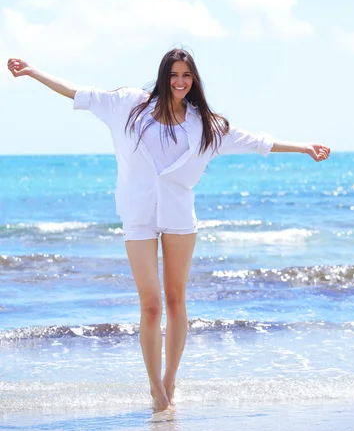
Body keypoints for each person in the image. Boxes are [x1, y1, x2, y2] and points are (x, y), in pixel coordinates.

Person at [7, 49, 330, 411]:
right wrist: (34, 72)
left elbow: (256, 142)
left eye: (186, 76)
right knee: (151, 305)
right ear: (164, 76)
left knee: (176, 301)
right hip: (138, 214)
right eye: (174, 75)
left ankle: (170, 380)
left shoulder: (205, 124)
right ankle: (155, 390)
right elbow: (79, 93)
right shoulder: (129, 105)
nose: (180, 82)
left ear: (194, 81)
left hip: (178, 216)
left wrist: (305, 148)